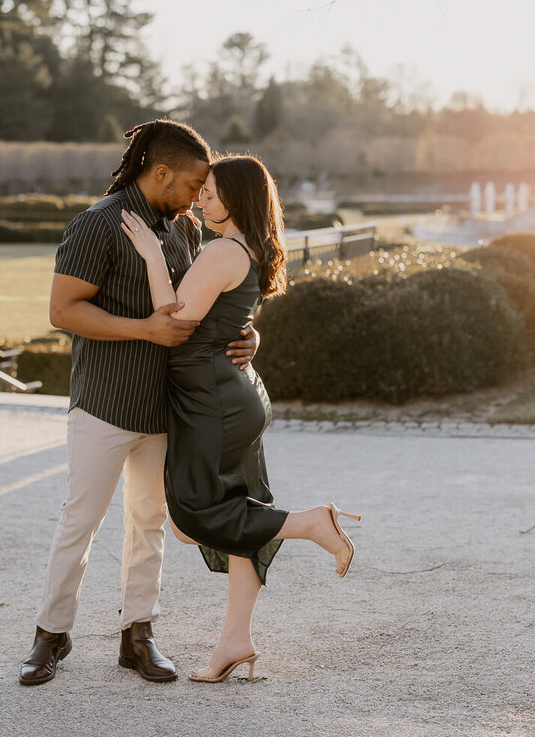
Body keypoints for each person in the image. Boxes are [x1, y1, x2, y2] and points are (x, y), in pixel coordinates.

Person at [19, 119, 259, 687]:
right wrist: (143, 330)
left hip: (167, 407)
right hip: (104, 401)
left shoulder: (187, 232)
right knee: (81, 520)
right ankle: (50, 636)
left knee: (148, 522)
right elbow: (62, 311)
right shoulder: (96, 224)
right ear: (162, 173)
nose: (201, 197)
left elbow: (210, 307)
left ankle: (139, 635)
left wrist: (250, 336)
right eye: (195, 184)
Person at [118, 154, 361, 684]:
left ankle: (311, 523)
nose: (201, 200)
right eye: (200, 191)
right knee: (237, 516)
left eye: (210, 192)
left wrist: (153, 257)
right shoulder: (250, 247)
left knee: (193, 516)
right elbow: (235, 318)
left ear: (237, 197)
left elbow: (176, 322)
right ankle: (236, 642)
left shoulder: (223, 251)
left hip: (211, 400)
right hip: (235, 395)